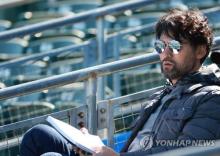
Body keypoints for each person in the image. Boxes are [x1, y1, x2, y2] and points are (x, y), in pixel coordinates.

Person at [20, 8, 220, 156]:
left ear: (201, 50)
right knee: (40, 135)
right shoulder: (161, 95)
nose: (165, 53)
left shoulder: (211, 99)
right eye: (160, 46)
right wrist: (91, 147)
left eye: (175, 46)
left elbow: (187, 152)